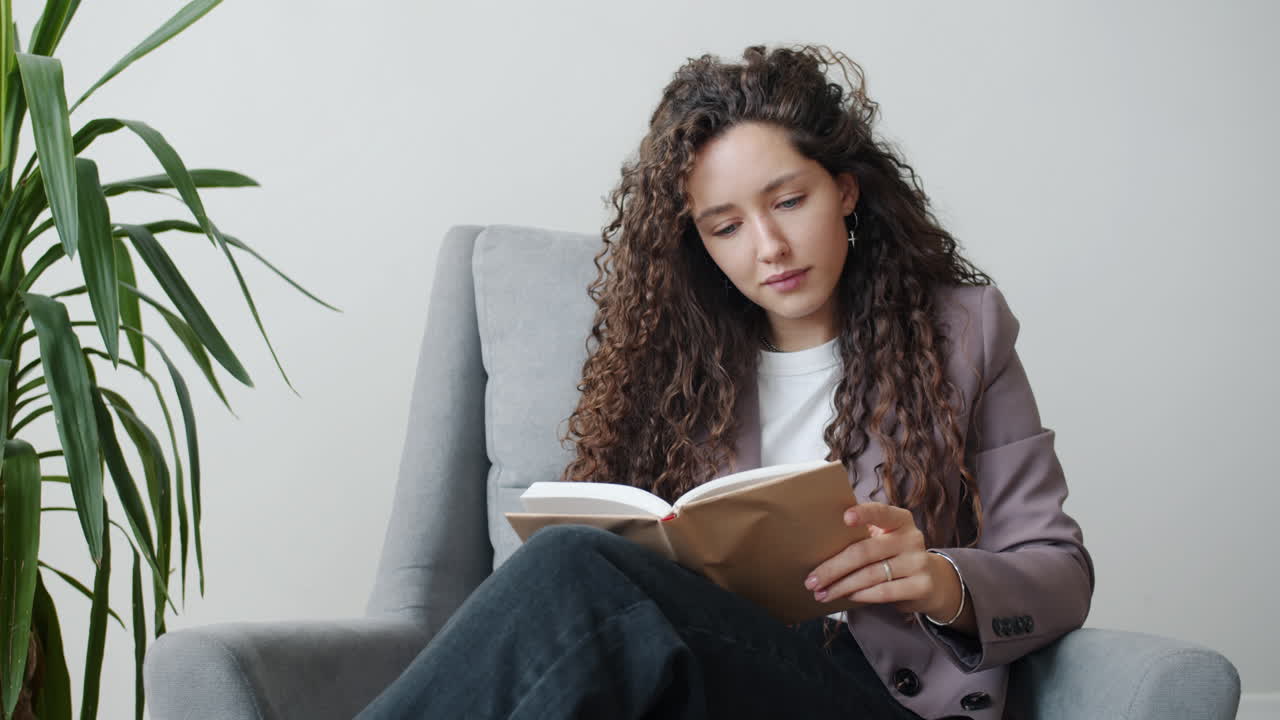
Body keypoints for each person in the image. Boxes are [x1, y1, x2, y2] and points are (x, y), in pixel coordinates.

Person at [356, 43, 1093, 720]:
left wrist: (938, 580)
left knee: (569, 566)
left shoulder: (961, 334)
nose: (769, 247)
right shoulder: (676, 365)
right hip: (712, 686)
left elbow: (1060, 571)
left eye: (789, 202)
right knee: (582, 579)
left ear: (844, 190)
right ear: (699, 243)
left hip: (879, 699)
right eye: (726, 227)